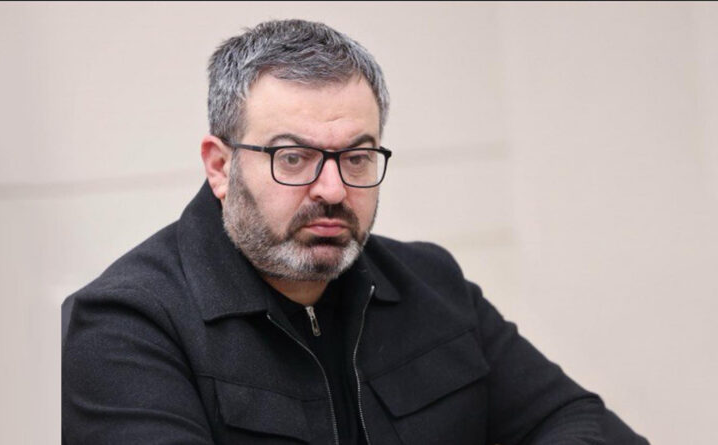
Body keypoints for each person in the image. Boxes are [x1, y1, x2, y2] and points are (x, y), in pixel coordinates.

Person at [62, 19, 648, 445]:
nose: (333, 189)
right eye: (293, 158)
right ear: (220, 166)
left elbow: (579, 422)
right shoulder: (127, 322)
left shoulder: (429, 282)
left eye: (357, 157)